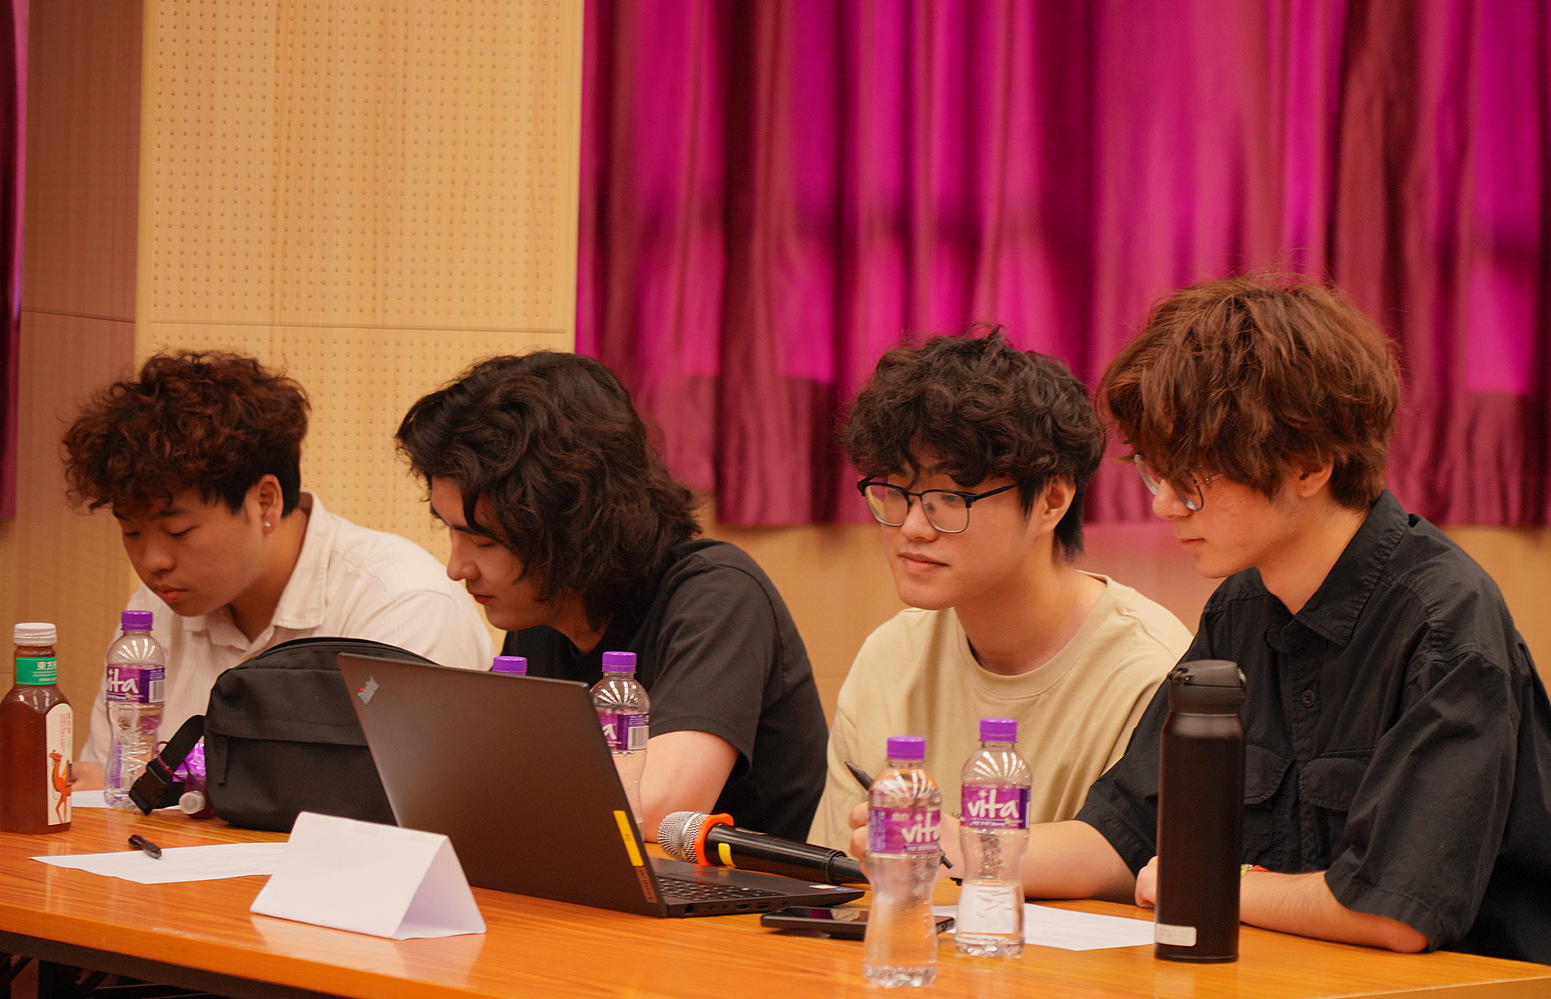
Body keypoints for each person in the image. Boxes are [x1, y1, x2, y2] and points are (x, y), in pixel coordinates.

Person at [849, 275, 1551, 999]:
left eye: (1193, 479)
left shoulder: (1445, 625)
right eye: (1156, 472)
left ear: (1309, 463)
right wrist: (958, 844)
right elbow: (1124, 833)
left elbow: (1391, 911)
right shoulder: (1241, 607)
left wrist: (1210, 883)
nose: (1163, 505)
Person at [395, 351, 828, 842]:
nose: (457, 569)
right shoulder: (535, 613)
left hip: (738, 891)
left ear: (569, 525)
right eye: (451, 532)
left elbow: (660, 809)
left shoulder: (719, 593)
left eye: (484, 542)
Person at [809, 330, 1191, 851]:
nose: (913, 527)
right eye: (895, 490)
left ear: (1051, 501)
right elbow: (838, 870)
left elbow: (1145, 879)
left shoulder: (1148, 672)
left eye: (950, 498)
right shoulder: (891, 655)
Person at [60, 351, 492, 787]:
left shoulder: (402, 606)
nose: (153, 562)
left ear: (265, 502)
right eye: (131, 532)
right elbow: (112, 778)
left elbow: (382, 805)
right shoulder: (154, 614)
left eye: (178, 531)